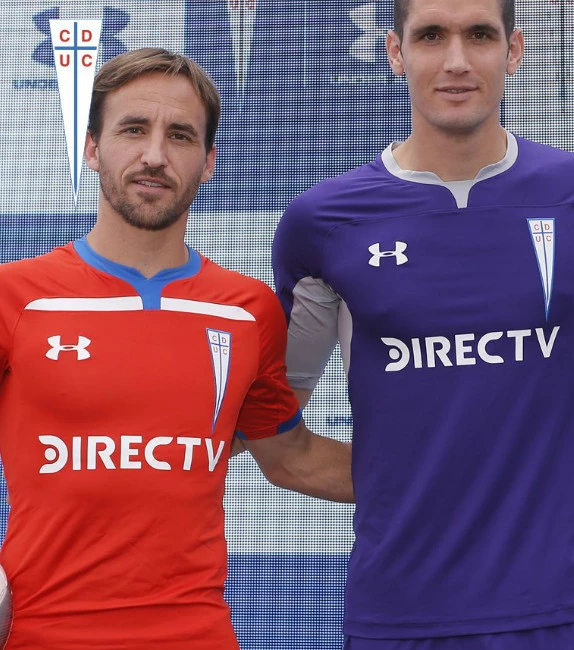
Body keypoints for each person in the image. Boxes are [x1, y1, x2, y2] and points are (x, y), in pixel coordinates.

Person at [272, 0, 574, 648]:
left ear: (513, 50)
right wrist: (414, 480)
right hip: (402, 618)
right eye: (432, 35)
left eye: (480, 35)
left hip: (567, 612)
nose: (457, 60)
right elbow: (281, 445)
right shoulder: (323, 222)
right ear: (395, 52)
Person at [0, 48, 352, 650]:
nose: (155, 155)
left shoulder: (247, 311)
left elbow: (292, 458)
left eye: (181, 136)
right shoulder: (16, 297)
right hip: (43, 632)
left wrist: (469, 476)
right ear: (92, 148)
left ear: (208, 162)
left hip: (196, 633)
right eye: (133, 129)